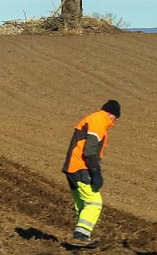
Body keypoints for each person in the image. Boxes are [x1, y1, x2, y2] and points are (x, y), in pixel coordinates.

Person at [62, 99, 120, 248]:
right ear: (110, 114)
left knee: (82, 205)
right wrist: (95, 172)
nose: (116, 122)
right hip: (80, 167)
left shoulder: (94, 118)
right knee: (94, 203)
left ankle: (77, 242)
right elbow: (89, 151)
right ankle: (80, 237)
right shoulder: (99, 120)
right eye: (116, 118)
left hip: (72, 167)